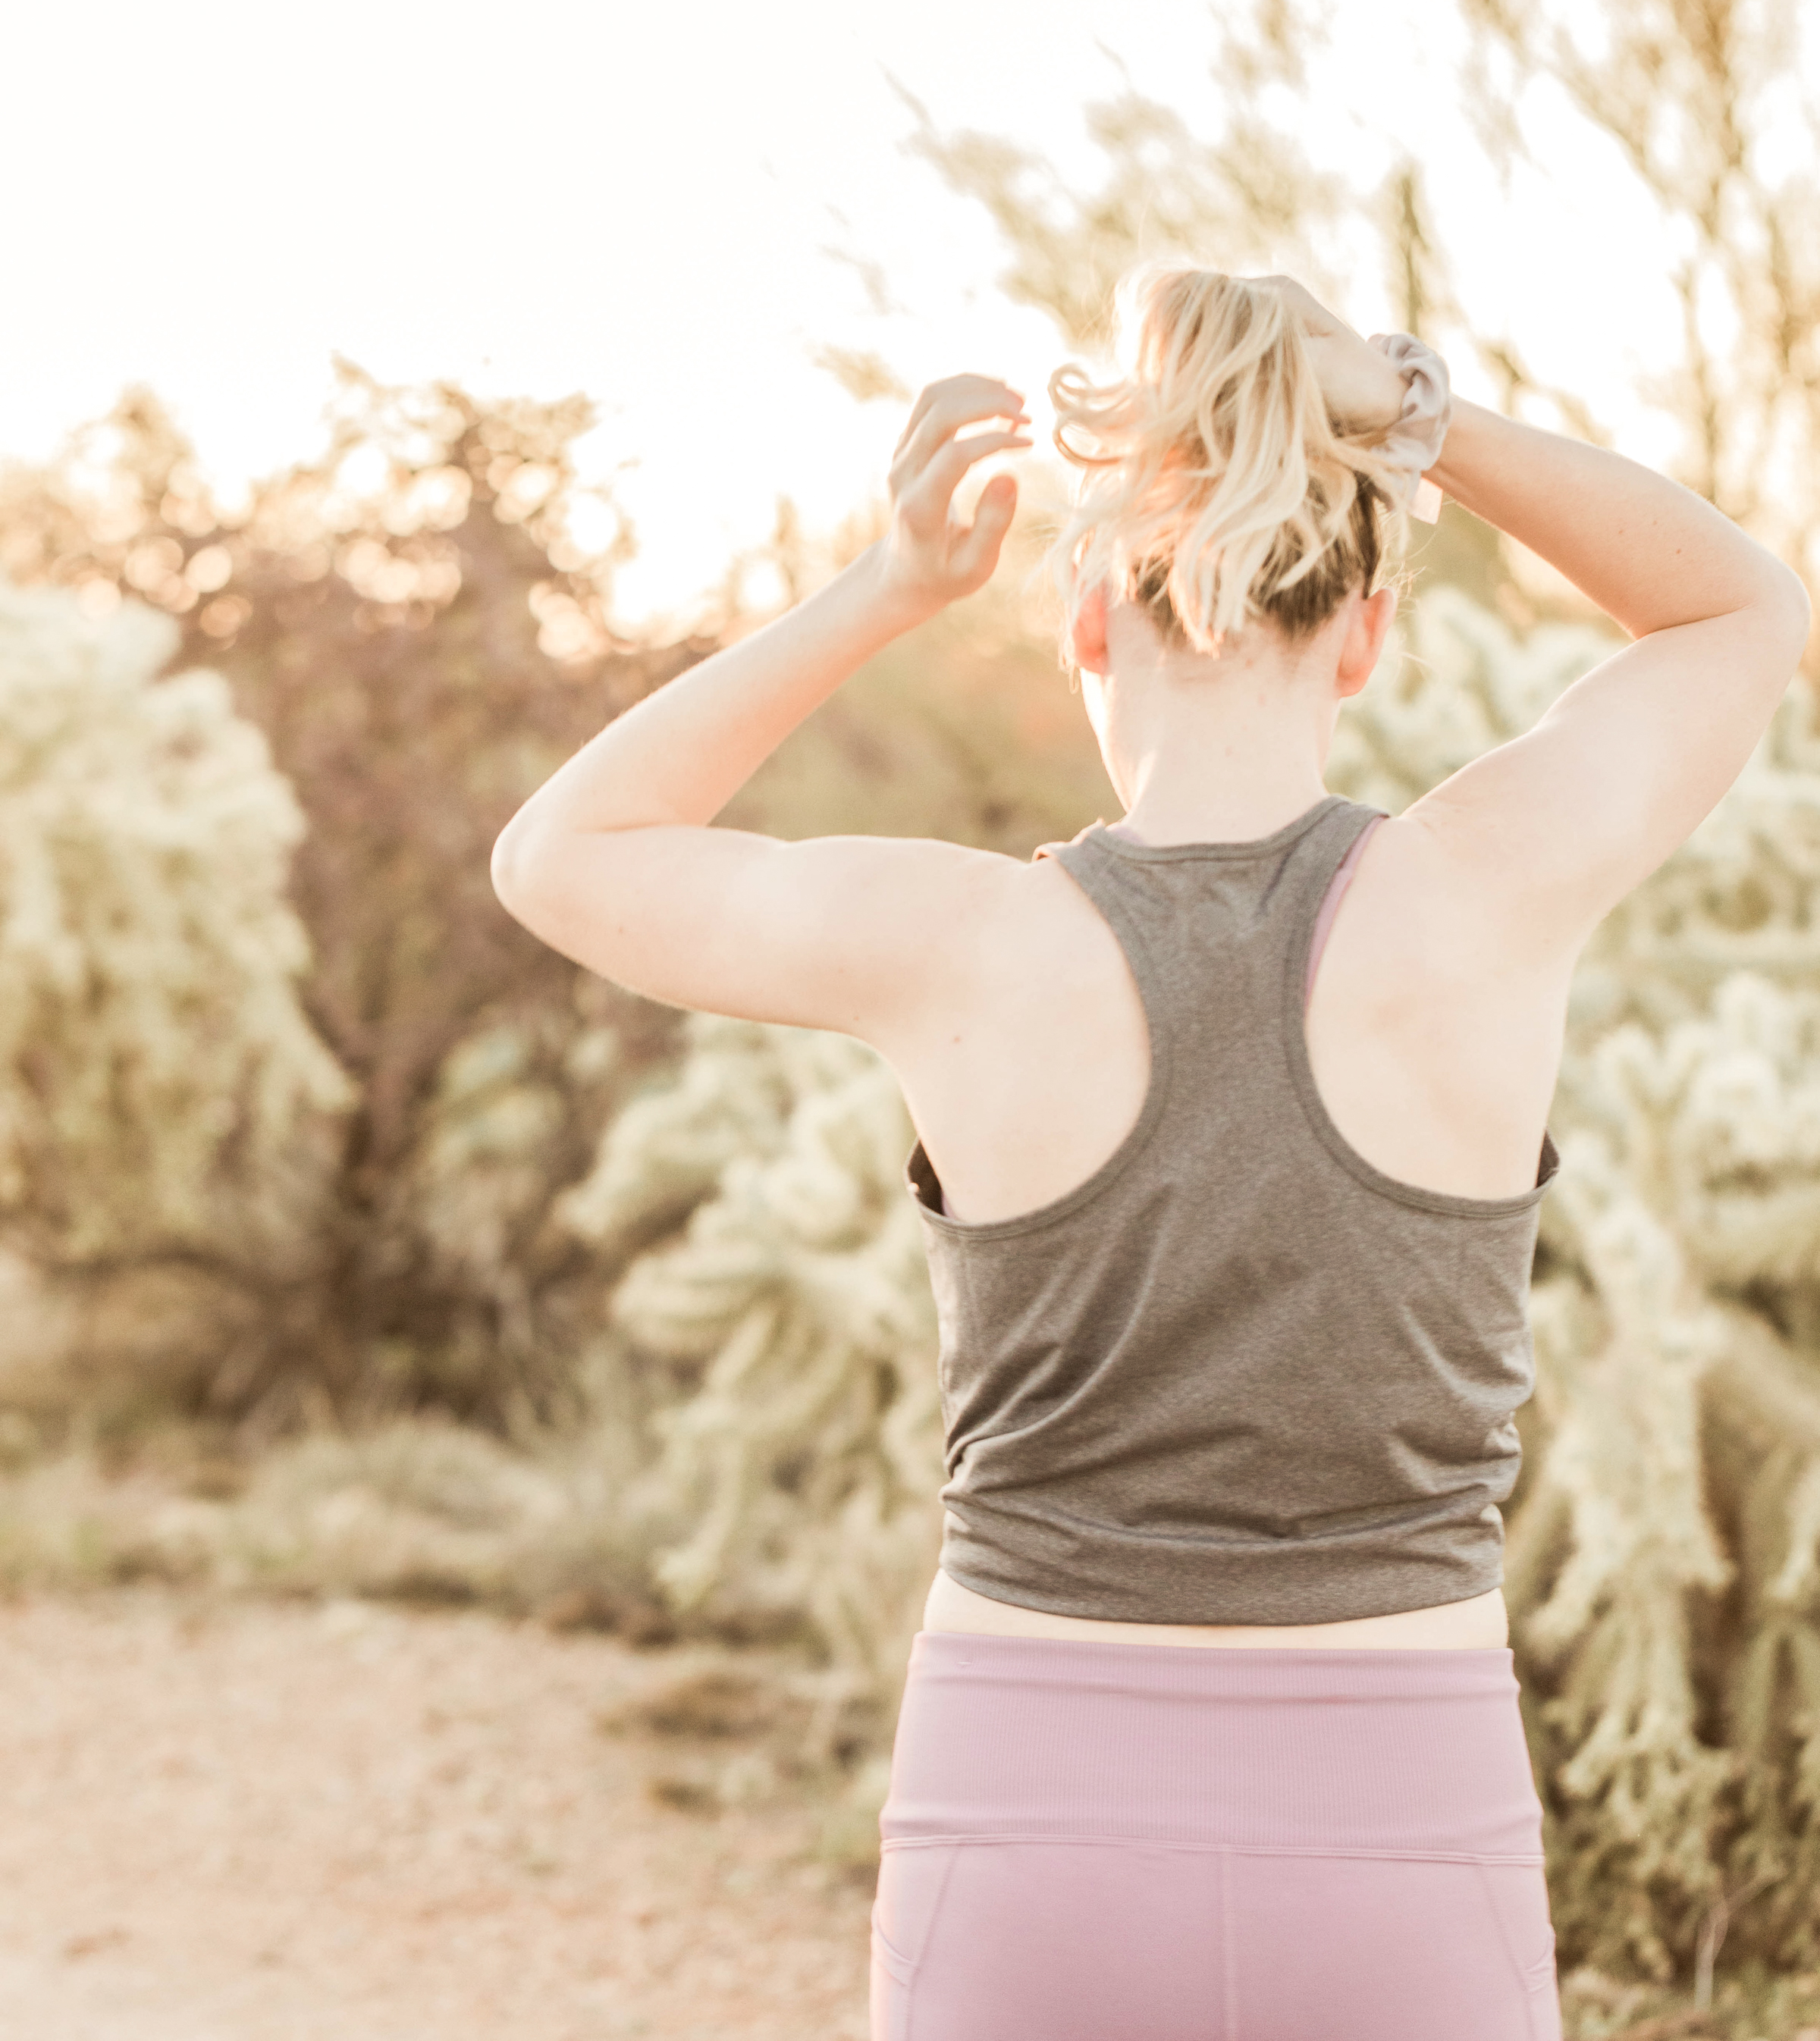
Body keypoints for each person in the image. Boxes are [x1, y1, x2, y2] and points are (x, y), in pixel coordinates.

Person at [489, 267, 1809, 2041]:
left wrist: (890, 589)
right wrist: (1416, 416)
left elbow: (561, 855)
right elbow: (1738, 609)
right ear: (1366, 634)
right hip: (1402, 1829)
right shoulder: (1485, 891)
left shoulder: (960, 947)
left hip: (1026, 1817)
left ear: (1088, 620)